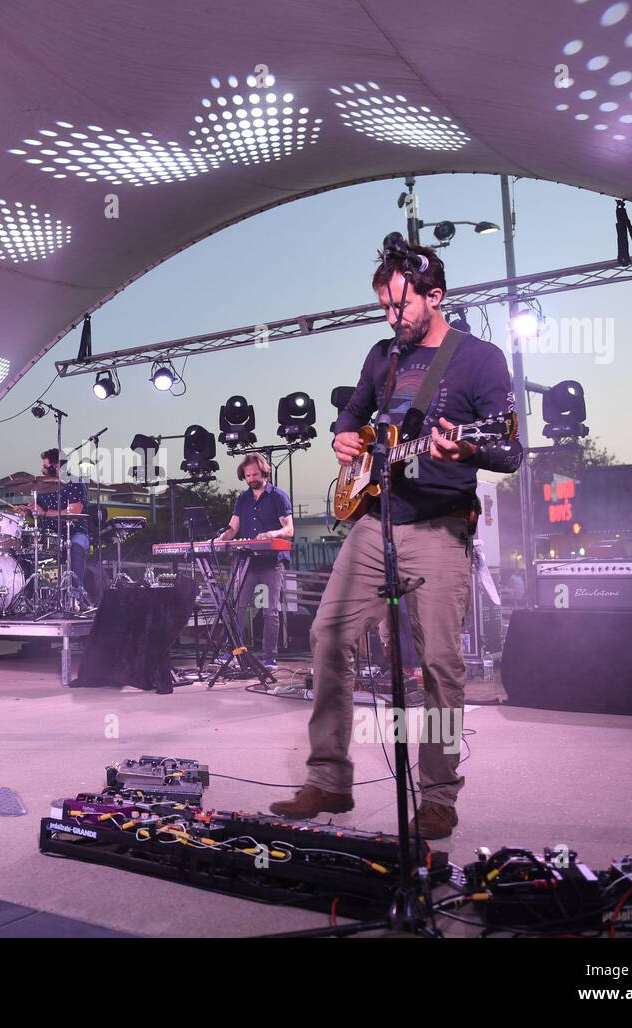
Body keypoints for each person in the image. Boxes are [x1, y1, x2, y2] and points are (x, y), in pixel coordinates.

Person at [271, 242, 522, 839]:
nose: (391, 317)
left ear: (435, 297)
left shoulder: (479, 360)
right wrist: (344, 440)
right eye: (383, 305)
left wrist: (467, 446)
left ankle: (437, 795)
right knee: (327, 634)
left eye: (400, 306)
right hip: (373, 518)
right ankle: (329, 779)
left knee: (438, 661)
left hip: (439, 525)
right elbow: (349, 416)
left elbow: (509, 449)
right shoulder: (381, 357)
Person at [213, 451, 293, 670]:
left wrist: (272, 534)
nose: (251, 479)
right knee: (237, 607)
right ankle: (234, 653)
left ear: (264, 471)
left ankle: (269, 659)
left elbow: (289, 529)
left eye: (254, 474)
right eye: (247, 476)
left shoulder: (278, 496)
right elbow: (233, 527)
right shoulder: (243, 498)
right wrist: (219, 539)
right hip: (247, 562)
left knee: (270, 611)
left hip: (272, 562)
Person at [25, 448, 90, 599]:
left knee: (75, 547)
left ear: (56, 466)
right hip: (48, 534)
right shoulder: (42, 487)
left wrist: (44, 512)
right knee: (26, 550)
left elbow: (74, 512)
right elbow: (39, 511)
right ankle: (30, 597)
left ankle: (76, 596)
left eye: (46, 467)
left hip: (75, 532)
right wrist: (28, 511)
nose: (42, 470)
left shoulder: (75, 482)